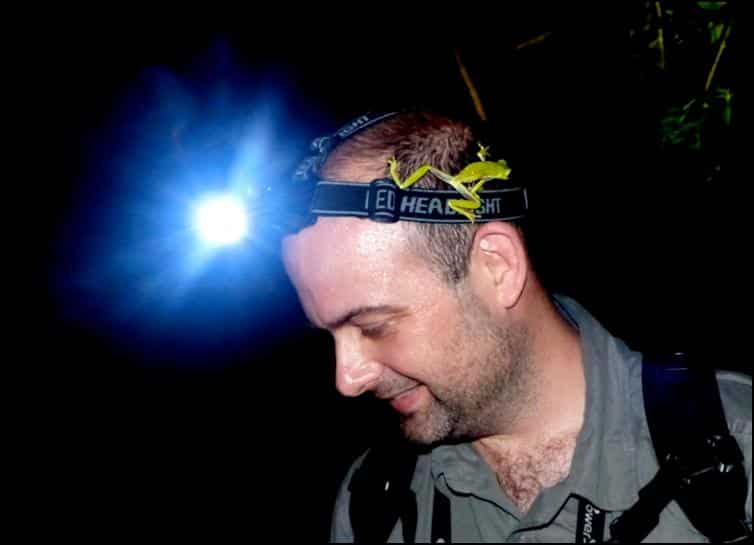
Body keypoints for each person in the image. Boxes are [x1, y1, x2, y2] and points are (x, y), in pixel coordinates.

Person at [281, 110, 752, 542]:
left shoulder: (741, 448)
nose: (346, 379)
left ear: (497, 268)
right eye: (329, 335)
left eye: (374, 325)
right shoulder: (372, 506)